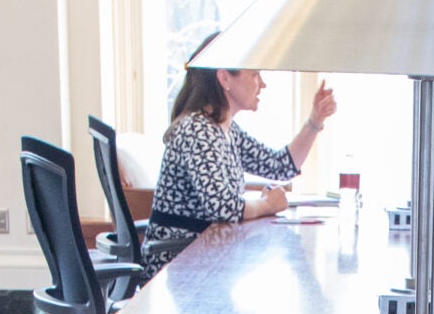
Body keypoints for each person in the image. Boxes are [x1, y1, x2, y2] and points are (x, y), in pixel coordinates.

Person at [143, 32, 336, 275]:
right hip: (179, 263)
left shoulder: (224, 128)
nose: (262, 84)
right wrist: (266, 204)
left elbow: (279, 166)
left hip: (206, 257)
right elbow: (223, 209)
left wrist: (315, 120)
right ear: (225, 78)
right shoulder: (198, 130)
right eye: (255, 74)